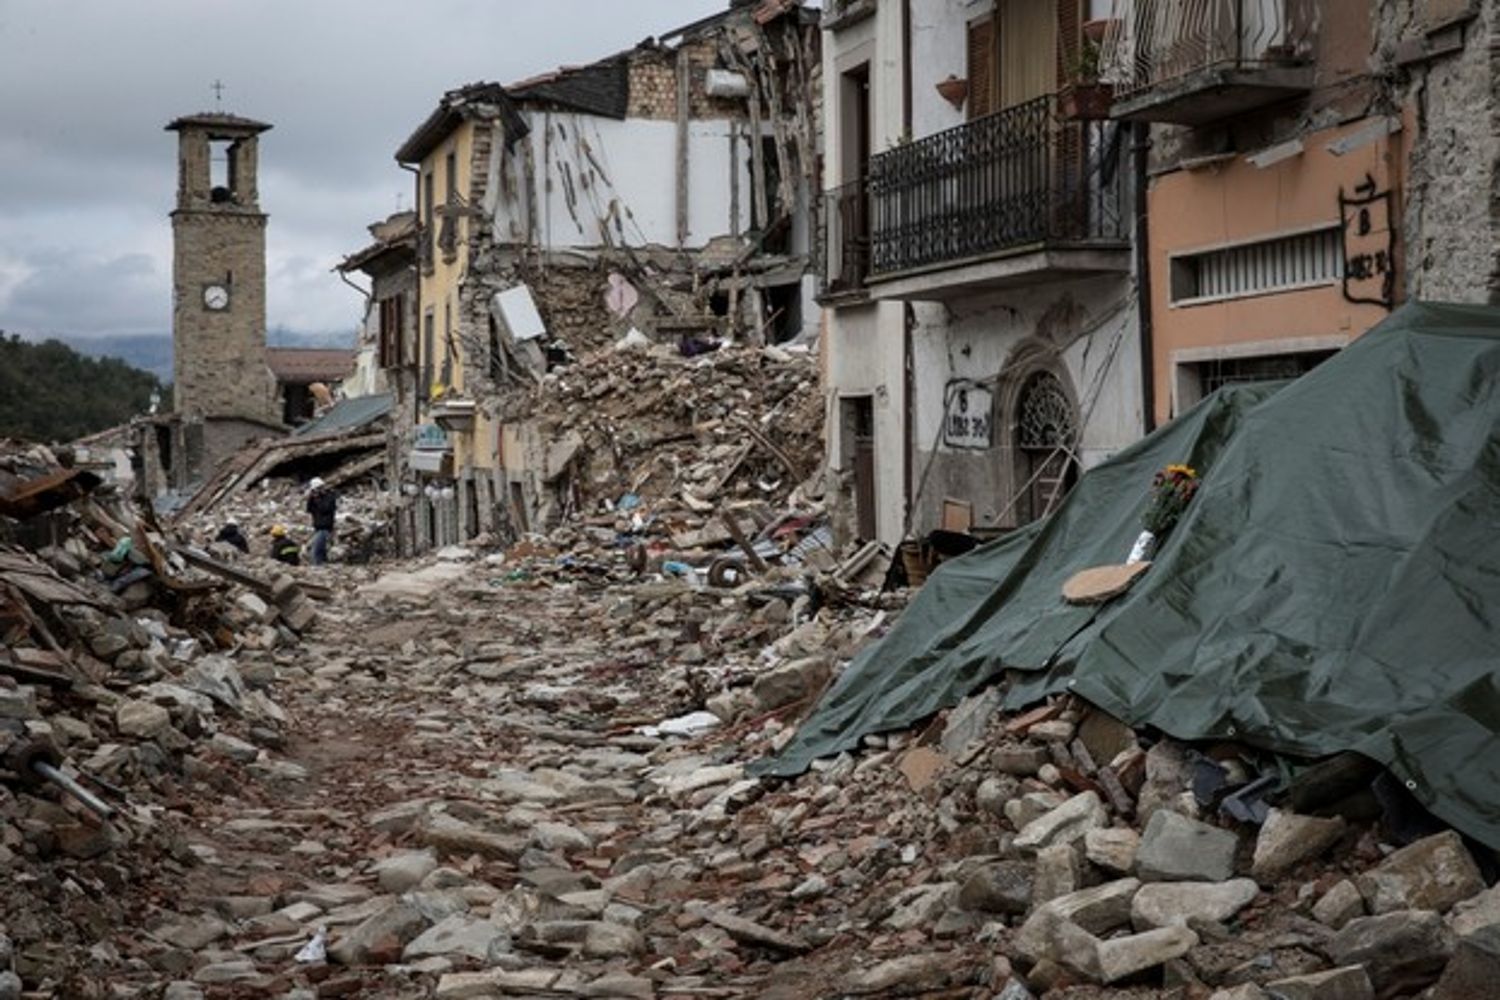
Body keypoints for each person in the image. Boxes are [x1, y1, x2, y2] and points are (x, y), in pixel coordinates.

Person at [306, 477, 337, 566]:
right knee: (321, 550)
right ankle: (323, 565)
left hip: (325, 527)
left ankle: (318, 567)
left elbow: (325, 509)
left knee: (316, 551)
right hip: (318, 527)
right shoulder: (316, 498)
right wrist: (311, 498)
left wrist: (317, 499)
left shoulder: (330, 496)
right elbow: (309, 509)